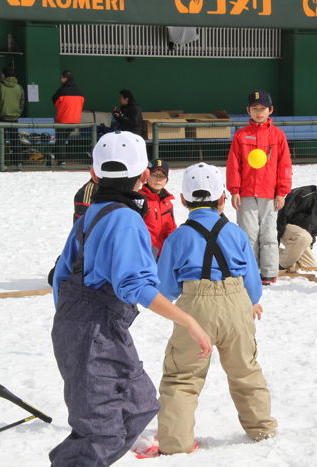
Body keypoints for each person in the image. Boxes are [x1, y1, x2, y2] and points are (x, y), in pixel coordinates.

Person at [49, 131, 212, 466]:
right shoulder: (125, 219)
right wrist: (189, 321)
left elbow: (60, 277)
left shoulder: (90, 214)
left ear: (94, 175)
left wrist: (73, 322)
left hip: (82, 327)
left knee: (139, 404)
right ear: (142, 176)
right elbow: (133, 286)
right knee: (101, 433)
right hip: (94, 332)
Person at [154, 162, 277, 455]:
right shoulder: (235, 233)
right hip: (236, 304)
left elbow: (165, 288)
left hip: (195, 308)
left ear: (183, 200)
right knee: (245, 370)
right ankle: (262, 428)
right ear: (222, 198)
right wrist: (250, 301)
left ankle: (175, 443)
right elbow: (253, 283)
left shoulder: (178, 237)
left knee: (182, 377)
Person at [226, 89, 293, 285]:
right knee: (248, 236)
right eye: (254, 109)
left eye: (262, 108)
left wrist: (282, 192)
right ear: (248, 110)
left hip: (269, 194)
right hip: (246, 193)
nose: (259, 112)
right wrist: (234, 190)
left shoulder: (278, 136)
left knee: (269, 235)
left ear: (270, 110)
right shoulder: (241, 135)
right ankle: (251, 273)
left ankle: (269, 272)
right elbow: (233, 164)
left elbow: (285, 165)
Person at [277, 165, 317, 271]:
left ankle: (270, 255)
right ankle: (280, 264)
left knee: (310, 267)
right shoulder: (304, 193)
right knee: (304, 238)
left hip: (301, 238)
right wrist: (275, 240)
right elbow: (282, 215)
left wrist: (308, 246)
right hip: (283, 228)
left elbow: (315, 228)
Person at [137, 159, 177, 259]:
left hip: (164, 253)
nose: (158, 179)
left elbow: (171, 228)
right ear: (147, 177)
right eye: (154, 175)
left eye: (162, 176)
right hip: (145, 253)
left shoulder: (168, 203)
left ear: (166, 180)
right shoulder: (139, 199)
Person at [0, 66, 25, 164]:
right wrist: (18, 113)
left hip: (0, 118)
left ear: (4, 75)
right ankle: (18, 162)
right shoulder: (19, 87)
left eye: (2, 73)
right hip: (14, 118)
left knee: (1, 141)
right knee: (15, 141)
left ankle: (2, 162)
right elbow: (22, 103)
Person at [51, 70, 85, 165]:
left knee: (61, 139)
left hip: (63, 120)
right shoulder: (80, 91)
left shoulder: (62, 90)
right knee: (63, 138)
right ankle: (54, 154)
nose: (60, 79)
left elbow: (55, 101)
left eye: (61, 77)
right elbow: (81, 104)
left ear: (65, 78)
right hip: (75, 120)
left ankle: (61, 160)